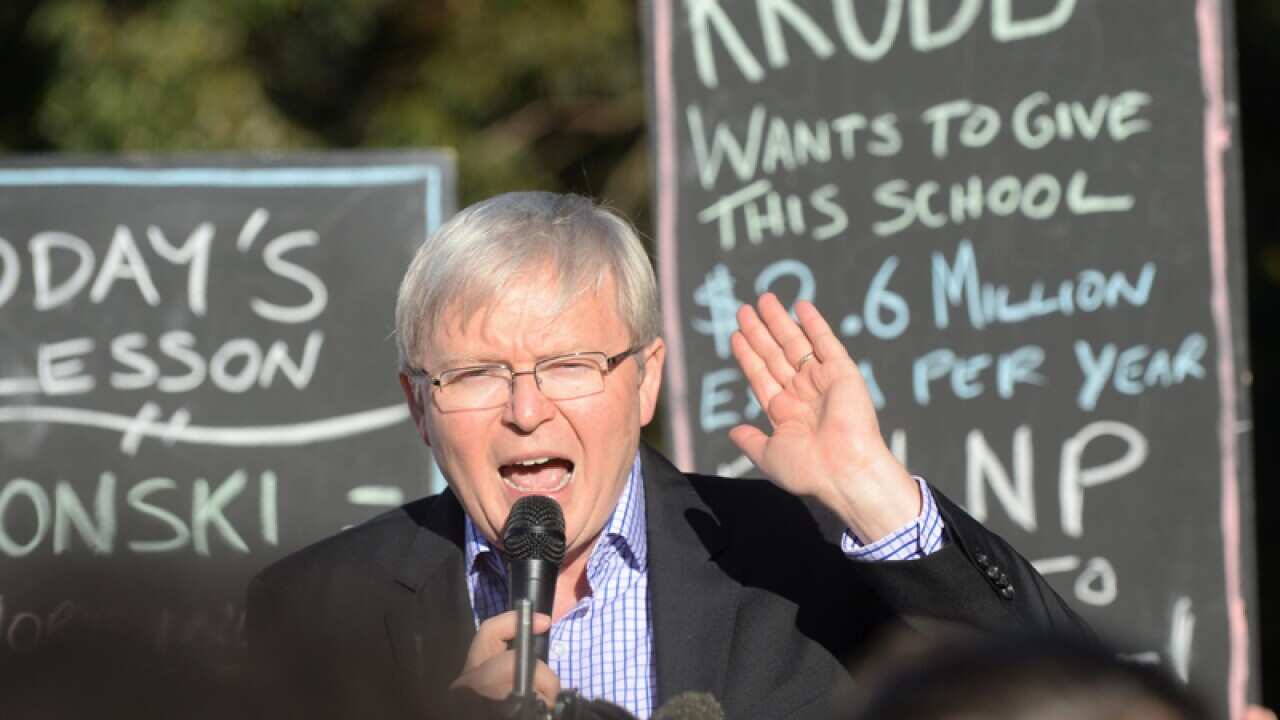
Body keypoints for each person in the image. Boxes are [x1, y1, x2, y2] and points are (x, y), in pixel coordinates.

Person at [246, 192, 1088, 719]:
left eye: (571, 365)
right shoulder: (314, 611)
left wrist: (875, 497)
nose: (527, 411)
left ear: (645, 382)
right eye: (475, 374)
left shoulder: (802, 558)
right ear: (418, 405)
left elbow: (1076, 704)